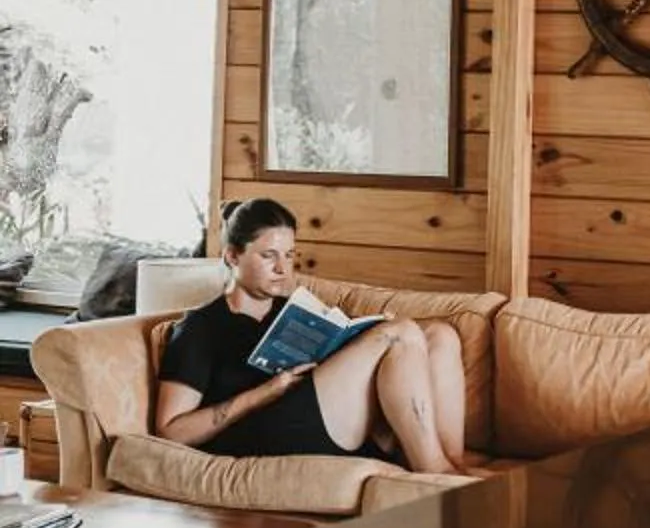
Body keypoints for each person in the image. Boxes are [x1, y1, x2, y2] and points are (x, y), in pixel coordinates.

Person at [154, 198, 471, 476]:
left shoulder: (293, 310)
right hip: (267, 431)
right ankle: (435, 472)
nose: (283, 268)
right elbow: (170, 431)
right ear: (232, 257)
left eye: (289, 255)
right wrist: (265, 392)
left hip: (319, 411)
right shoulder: (201, 327)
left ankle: (451, 461)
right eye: (269, 256)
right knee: (398, 335)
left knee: (439, 335)